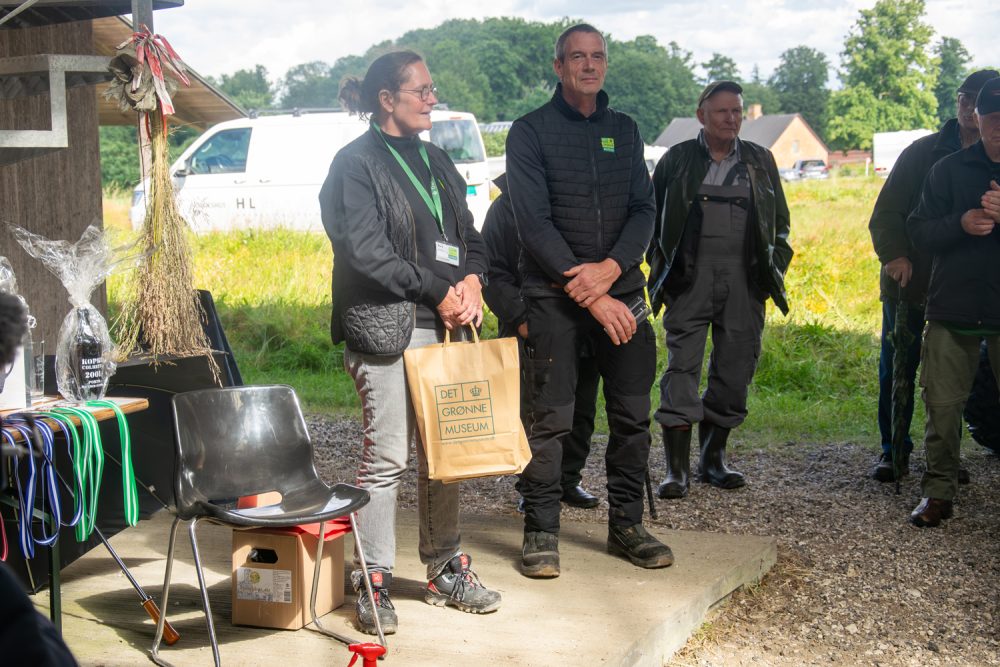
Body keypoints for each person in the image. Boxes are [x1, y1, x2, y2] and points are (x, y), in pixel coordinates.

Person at [319, 50, 500, 635]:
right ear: (386, 100)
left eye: (432, 88)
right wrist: (437, 290)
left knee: (445, 454)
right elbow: (366, 253)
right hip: (385, 328)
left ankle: (444, 568)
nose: (432, 99)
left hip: (444, 324)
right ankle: (371, 580)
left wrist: (473, 279)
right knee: (388, 457)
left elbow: (470, 235)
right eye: (421, 90)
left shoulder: (437, 159)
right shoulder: (354, 164)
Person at [505, 23, 672, 578]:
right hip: (553, 298)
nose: (589, 65)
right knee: (550, 421)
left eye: (597, 56)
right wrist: (591, 293)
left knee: (632, 417)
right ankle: (541, 530)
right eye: (577, 56)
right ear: (558, 66)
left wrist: (613, 269)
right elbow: (533, 223)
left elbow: (644, 210)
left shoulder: (624, 130)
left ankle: (627, 525)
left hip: (622, 294)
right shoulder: (529, 132)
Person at [647, 81, 793, 499]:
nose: (732, 119)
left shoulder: (760, 160)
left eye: (737, 111)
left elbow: (780, 226)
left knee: (735, 371)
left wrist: (769, 272)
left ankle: (713, 461)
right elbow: (650, 221)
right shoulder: (677, 160)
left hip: (744, 282)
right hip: (689, 281)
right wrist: (665, 272)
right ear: (701, 116)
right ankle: (676, 471)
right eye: (722, 112)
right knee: (681, 371)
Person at [867, 68, 1000, 483]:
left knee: (952, 377)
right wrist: (895, 257)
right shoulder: (923, 153)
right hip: (913, 280)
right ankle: (894, 450)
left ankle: (947, 459)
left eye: (976, 99)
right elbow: (887, 213)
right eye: (963, 97)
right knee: (899, 367)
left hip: (971, 291)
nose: (967, 106)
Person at [905, 76, 1000, 528]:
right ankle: (938, 492)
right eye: (992, 118)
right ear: (976, 118)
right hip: (953, 307)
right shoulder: (947, 169)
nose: (999, 127)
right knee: (941, 407)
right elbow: (919, 231)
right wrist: (959, 224)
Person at [480, 173, 601, 511]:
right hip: (532, 330)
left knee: (582, 410)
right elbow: (492, 272)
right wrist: (521, 319)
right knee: (535, 414)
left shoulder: (576, 199)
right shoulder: (506, 208)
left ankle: (569, 480)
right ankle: (534, 487)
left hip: (582, 325)